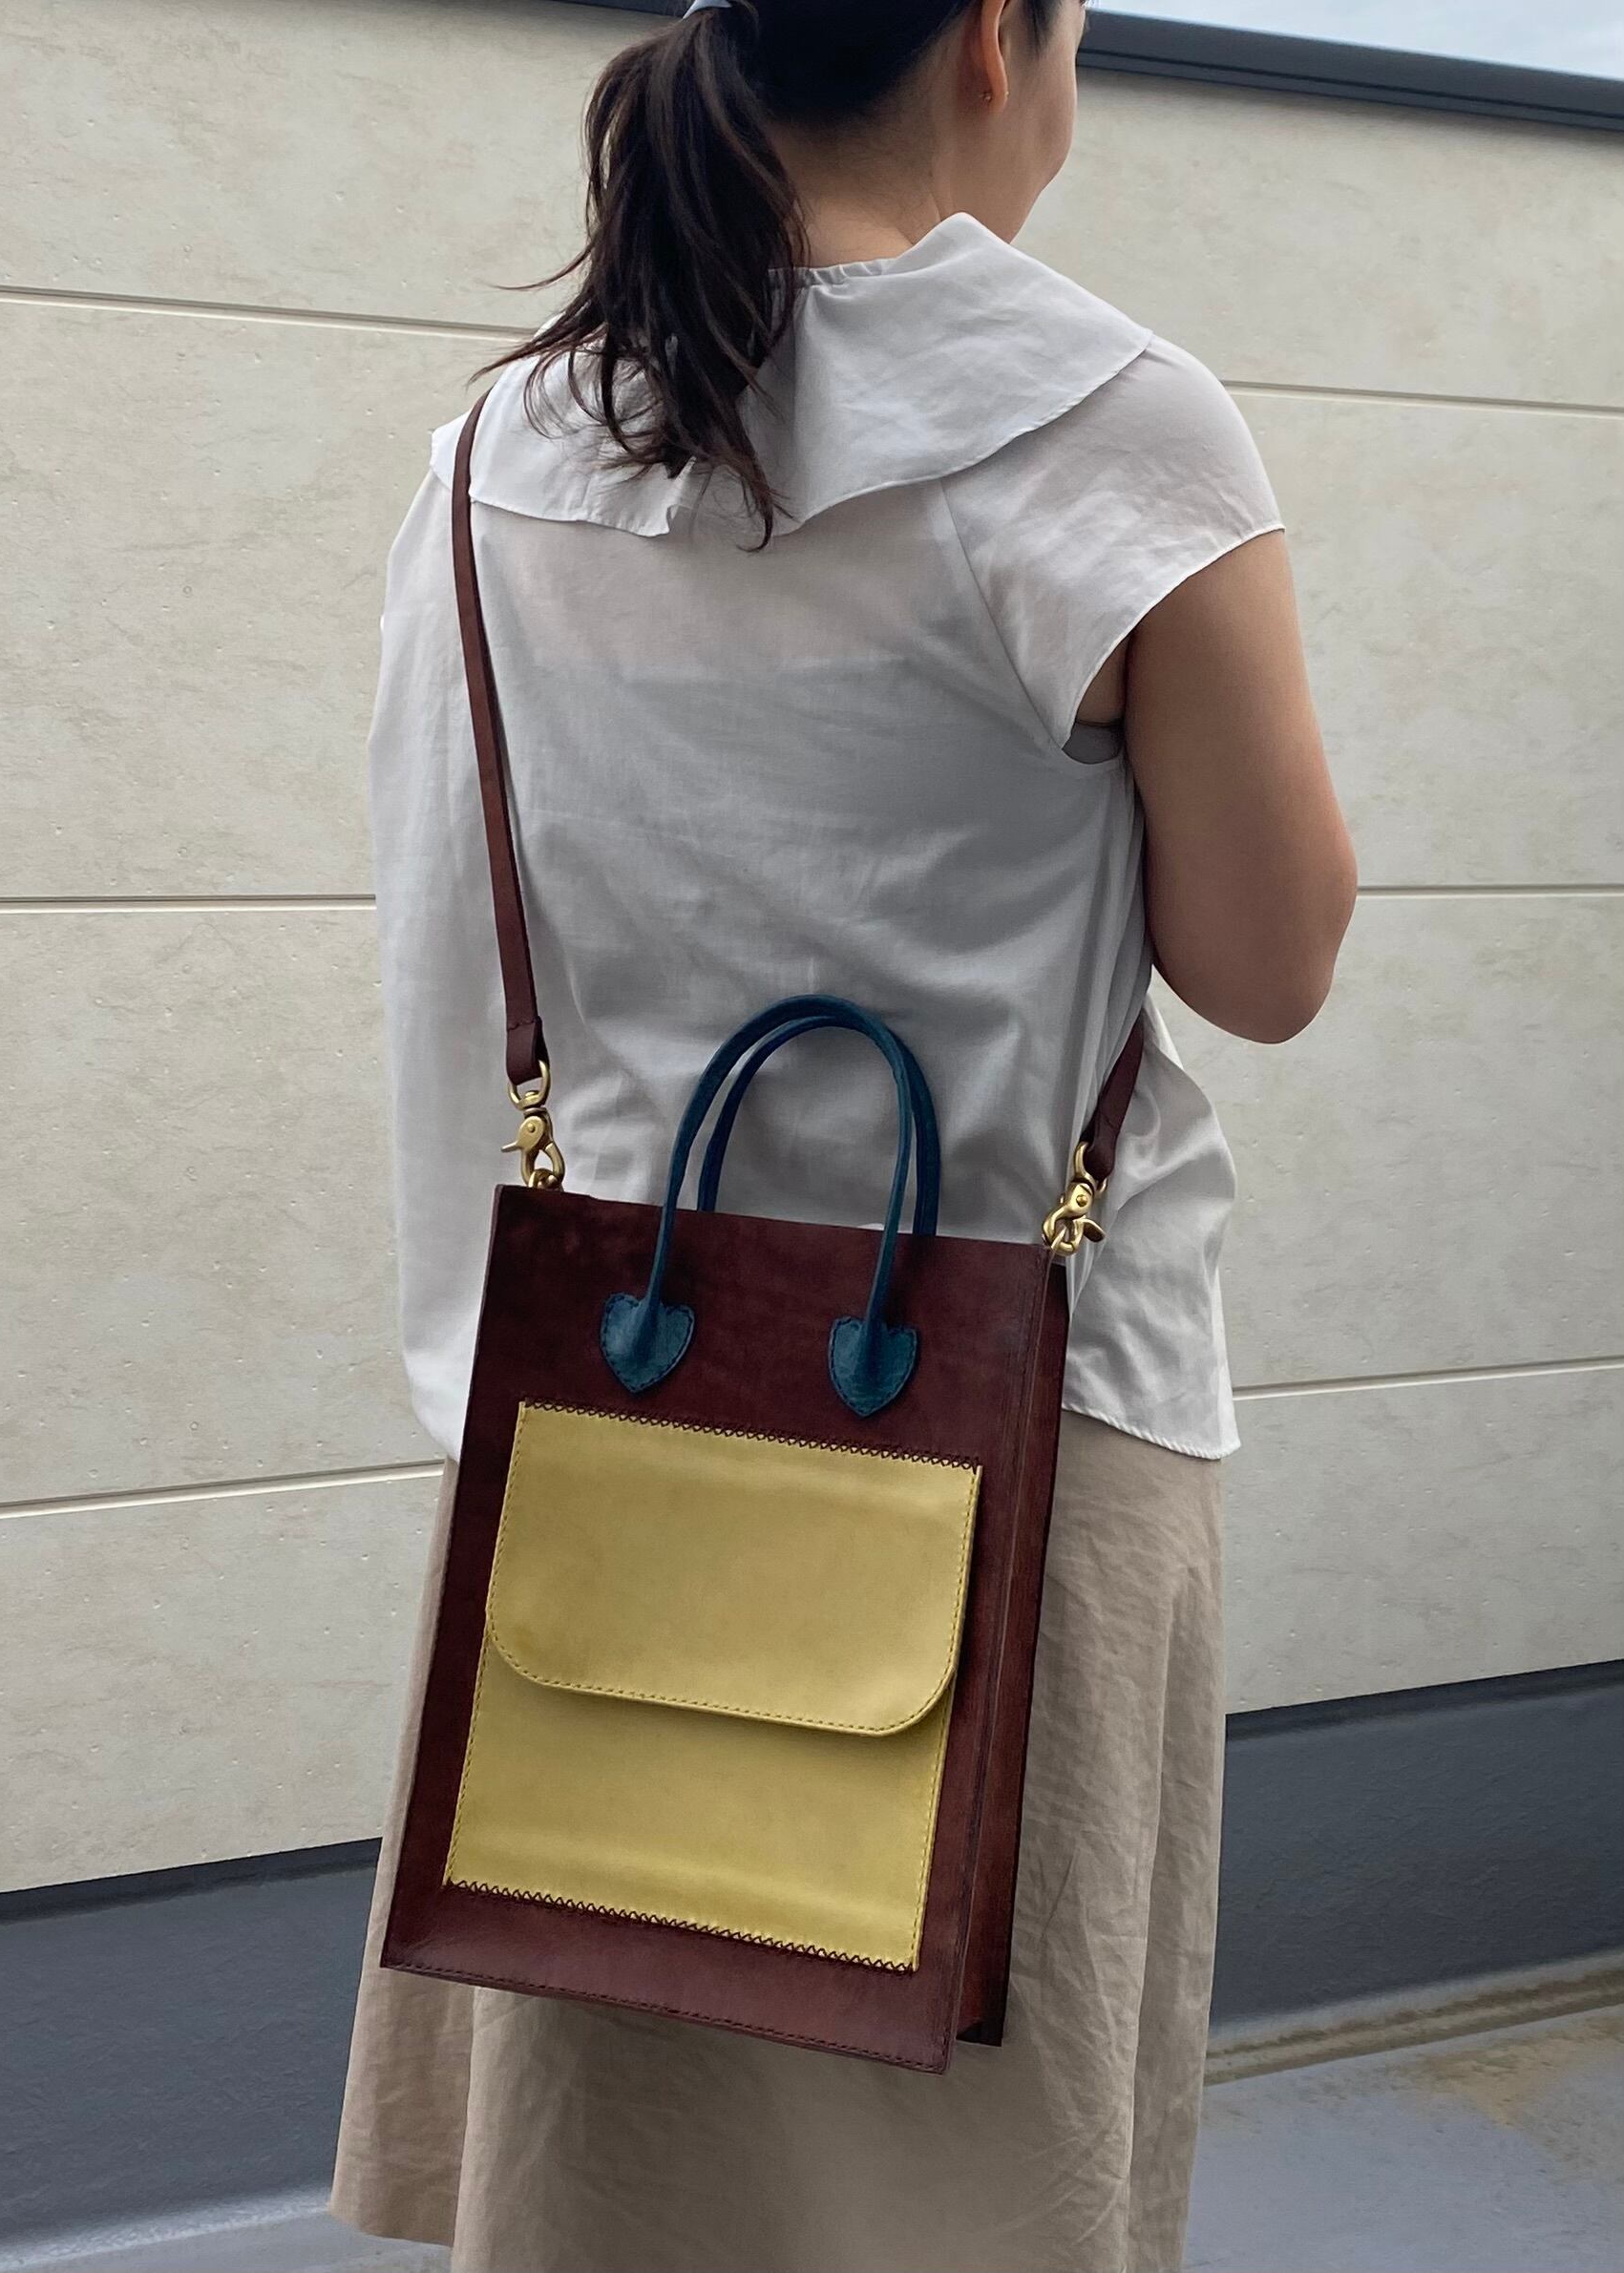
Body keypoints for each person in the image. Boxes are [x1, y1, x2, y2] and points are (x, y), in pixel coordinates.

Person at [331, 0, 1356, 2265]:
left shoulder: (502, 449)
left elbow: (448, 947)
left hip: (612, 1438)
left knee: (624, 2187)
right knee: (974, 2193)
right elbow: (1270, 959)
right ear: (994, 37)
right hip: (1006, 1444)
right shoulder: (1107, 423)